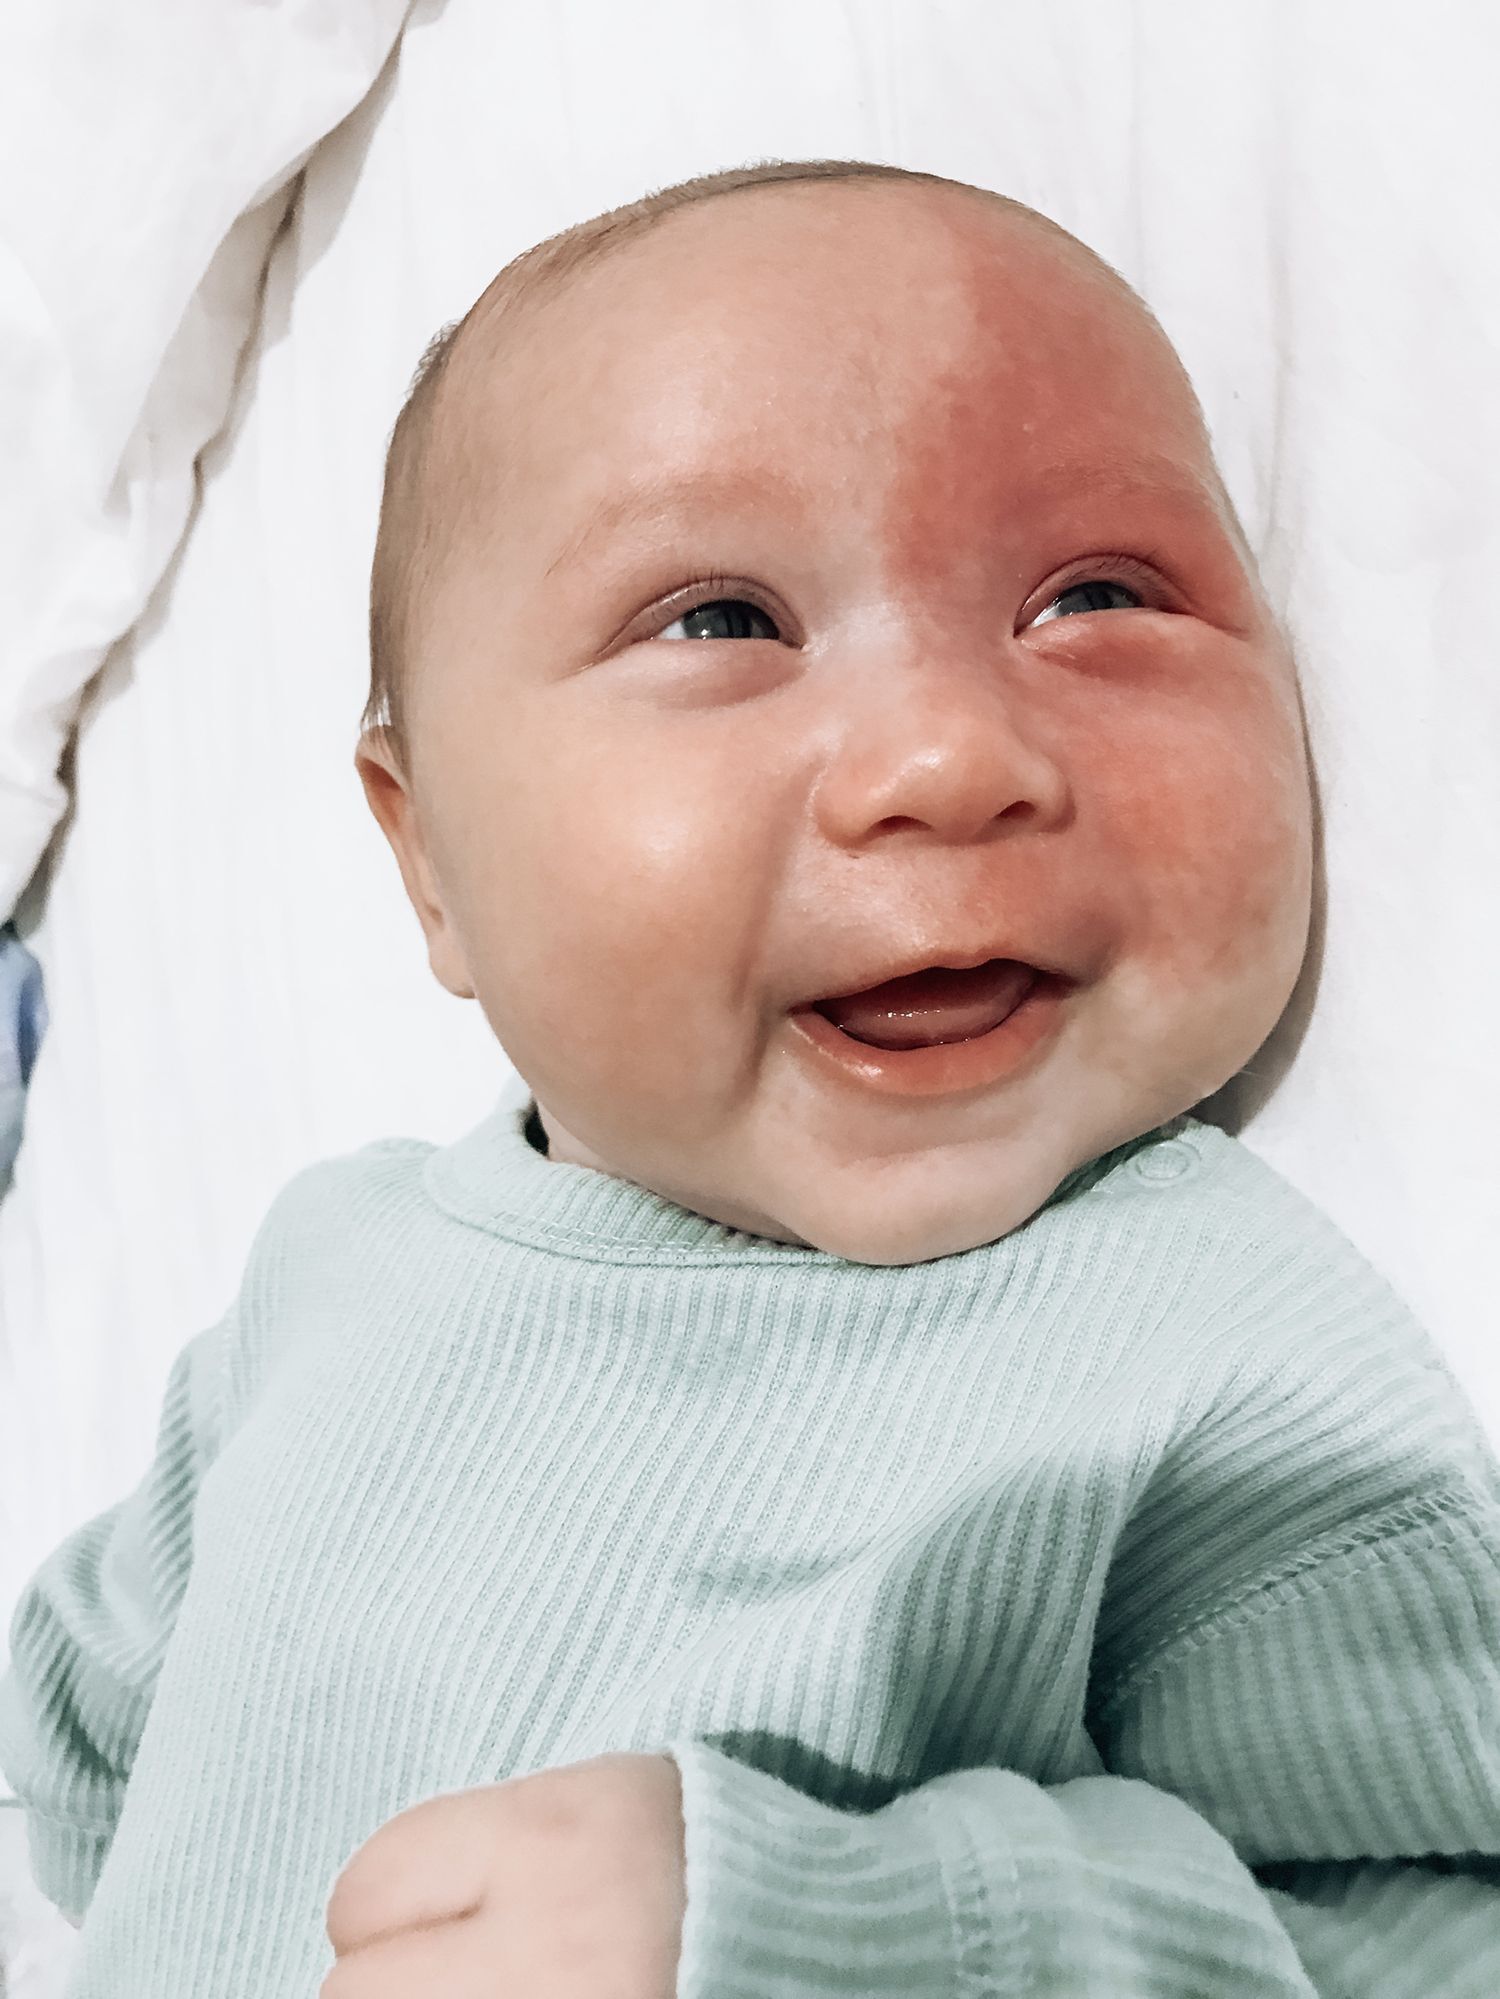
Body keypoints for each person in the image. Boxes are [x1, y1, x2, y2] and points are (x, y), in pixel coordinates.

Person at [2, 158, 1496, 1996]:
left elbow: (1421, 1934)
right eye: (722, 623)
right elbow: (80, 1755)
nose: (950, 756)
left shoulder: (1223, 1371)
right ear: (430, 868)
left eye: (1096, 595)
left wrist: (846, 1930)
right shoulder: (330, 1274)